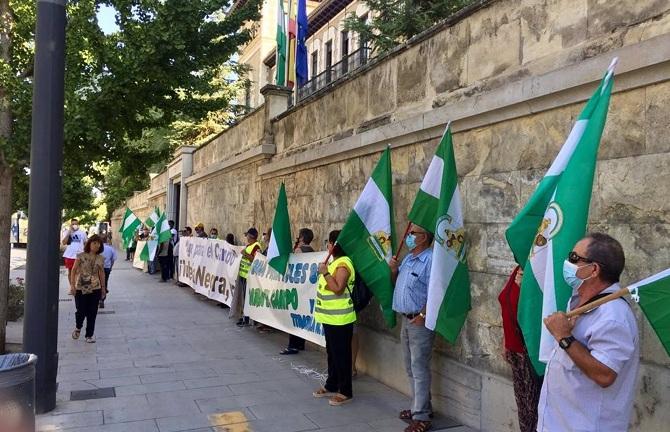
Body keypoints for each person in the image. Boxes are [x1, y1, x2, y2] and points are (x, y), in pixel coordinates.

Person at [537, 233, 639, 432]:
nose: (567, 262)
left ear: (593, 270)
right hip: (559, 423)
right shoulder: (578, 302)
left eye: (574, 258)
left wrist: (564, 337)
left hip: (587, 425)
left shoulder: (612, 315)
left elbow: (605, 375)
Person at [390, 223, 434, 432]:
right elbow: (396, 283)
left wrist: (424, 314)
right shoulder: (408, 259)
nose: (408, 236)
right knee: (410, 367)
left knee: (419, 367)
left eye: (412, 233)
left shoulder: (431, 260)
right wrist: (392, 271)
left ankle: (422, 416)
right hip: (405, 320)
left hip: (419, 321)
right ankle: (419, 406)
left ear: (423, 237)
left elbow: (436, 290)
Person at [312, 229, 356, 406]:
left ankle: (345, 391)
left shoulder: (344, 263)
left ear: (334, 245)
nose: (327, 246)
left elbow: (338, 288)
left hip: (340, 319)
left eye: (329, 242)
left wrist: (325, 273)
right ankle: (332, 383)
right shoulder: (334, 262)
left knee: (341, 355)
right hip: (329, 318)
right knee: (332, 353)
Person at [498, 266, 542, 432]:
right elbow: (507, 305)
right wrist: (505, 341)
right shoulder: (519, 268)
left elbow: (538, 312)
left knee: (534, 411)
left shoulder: (538, 273)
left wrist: (528, 289)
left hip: (530, 353)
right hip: (515, 351)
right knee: (523, 409)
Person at [280, 228, 314, 355]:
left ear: (302, 238)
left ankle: (293, 345)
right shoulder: (312, 251)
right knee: (302, 317)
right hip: (306, 290)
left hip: (297, 289)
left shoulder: (299, 250)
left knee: (294, 317)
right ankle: (300, 344)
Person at [68, 234, 106, 343]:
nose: (97, 245)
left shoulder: (100, 258)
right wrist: (72, 285)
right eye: (94, 243)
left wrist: (103, 288)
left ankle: (89, 335)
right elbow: (74, 270)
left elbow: (102, 273)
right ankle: (78, 327)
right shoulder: (80, 256)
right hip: (81, 286)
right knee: (81, 310)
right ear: (89, 244)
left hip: (95, 287)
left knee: (92, 311)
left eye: (99, 244)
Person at [231, 228, 262, 327]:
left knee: (247, 299)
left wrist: (245, 254)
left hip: (249, 276)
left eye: (247, 235)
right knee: (244, 298)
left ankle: (247, 319)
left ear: (251, 236)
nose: (246, 237)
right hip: (243, 275)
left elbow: (255, 260)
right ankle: (244, 317)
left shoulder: (256, 246)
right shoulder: (249, 245)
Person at [99, 235, 117, 309]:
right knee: (105, 282)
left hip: (97, 269)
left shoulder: (98, 248)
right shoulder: (110, 249)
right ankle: (102, 299)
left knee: (97, 283)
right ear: (107, 240)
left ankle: (97, 298)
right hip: (106, 268)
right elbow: (113, 259)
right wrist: (110, 267)